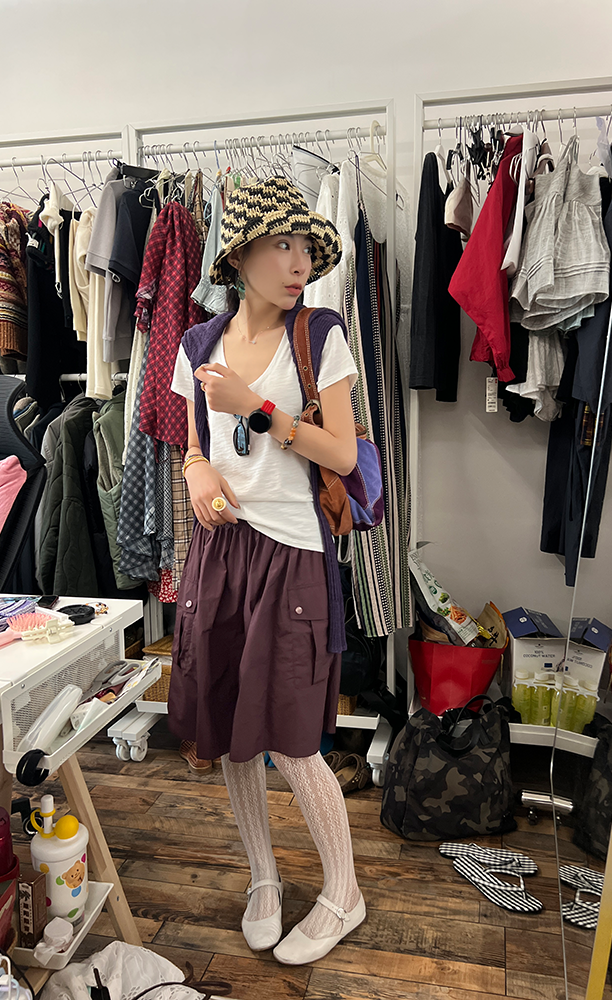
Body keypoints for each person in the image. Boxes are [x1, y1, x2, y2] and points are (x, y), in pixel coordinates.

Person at [168, 176, 365, 966]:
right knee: (232, 731)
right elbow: (192, 447)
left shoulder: (320, 335)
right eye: (283, 244)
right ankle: (263, 877)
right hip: (219, 552)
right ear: (239, 255)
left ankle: (344, 892)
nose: (299, 263)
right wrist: (196, 474)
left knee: (295, 739)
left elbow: (342, 454)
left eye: (306, 248)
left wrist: (256, 408)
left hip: (293, 554)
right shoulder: (197, 346)